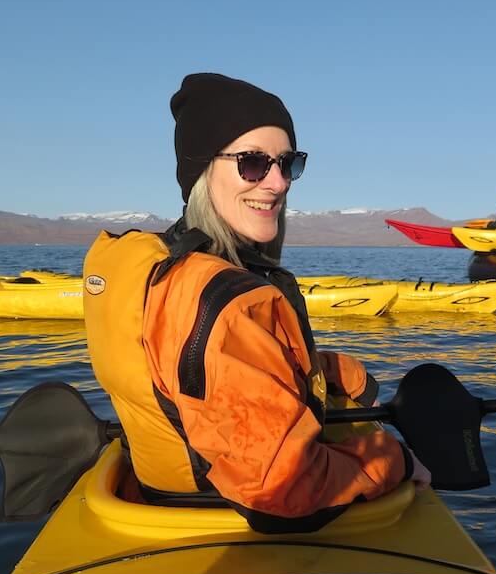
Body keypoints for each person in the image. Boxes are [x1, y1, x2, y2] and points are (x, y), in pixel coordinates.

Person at [82, 73, 430, 534]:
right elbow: (285, 487)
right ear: (202, 170)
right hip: (218, 520)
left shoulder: (157, 265)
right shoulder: (227, 302)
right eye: (252, 163)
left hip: (154, 500)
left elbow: (203, 376)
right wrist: (397, 460)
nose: (276, 182)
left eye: (289, 164)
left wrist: (337, 376)